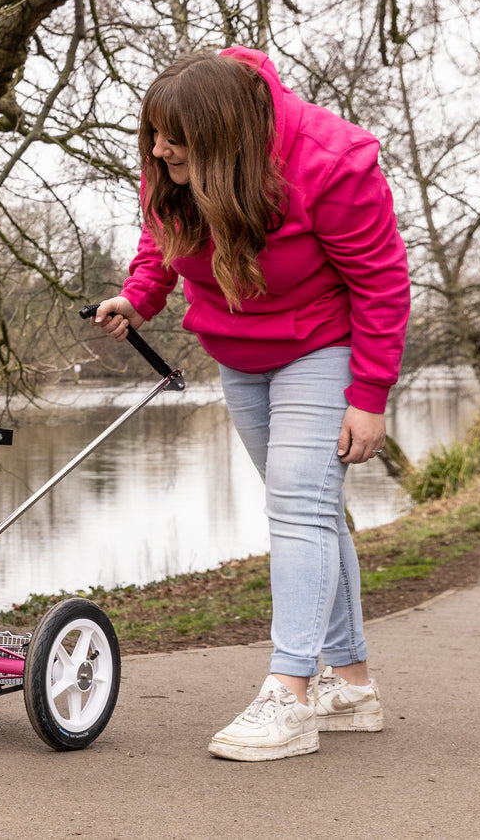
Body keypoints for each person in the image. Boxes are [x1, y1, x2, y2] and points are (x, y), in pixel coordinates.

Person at [94, 47, 410, 761]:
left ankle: (290, 693)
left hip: (321, 344)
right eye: (153, 136)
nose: (158, 149)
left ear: (225, 138)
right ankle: (351, 684)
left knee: (297, 504)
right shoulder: (172, 161)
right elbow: (160, 229)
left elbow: (382, 283)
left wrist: (367, 395)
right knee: (314, 510)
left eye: (173, 142)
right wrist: (139, 296)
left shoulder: (332, 164)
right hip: (237, 352)